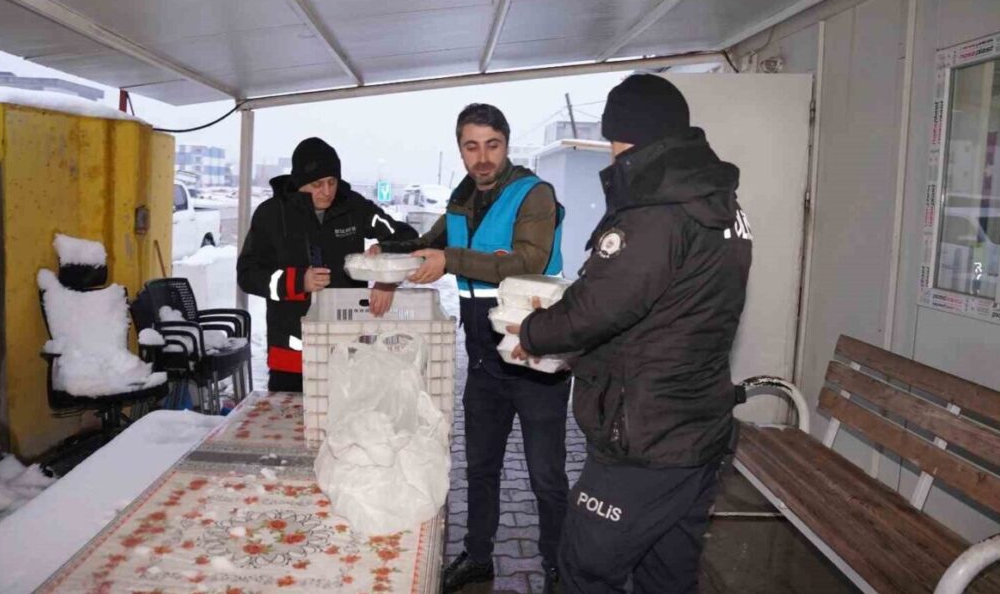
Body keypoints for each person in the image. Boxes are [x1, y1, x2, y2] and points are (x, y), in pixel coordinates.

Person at [511, 74, 753, 593]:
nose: (611, 151)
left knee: (583, 570)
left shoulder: (657, 212)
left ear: (631, 136)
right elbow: (671, 309)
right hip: (696, 430)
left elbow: (598, 306)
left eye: (614, 138)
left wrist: (531, 329)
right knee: (666, 576)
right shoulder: (721, 204)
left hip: (646, 439)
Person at [376, 103, 569, 594]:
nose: (482, 157)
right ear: (460, 149)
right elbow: (428, 246)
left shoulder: (534, 195)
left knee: (546, 476)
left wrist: (450, 259)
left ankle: (558, 564)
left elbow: (531, 259)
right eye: (471, 146)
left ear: (506, 144)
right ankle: (479, 556)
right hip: (484, 362)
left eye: (492, 145)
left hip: (535, 360)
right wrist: (389, 259)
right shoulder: (461, 201)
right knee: (480, 467)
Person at [237, 137, 417, 393]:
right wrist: (298, 281)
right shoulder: (270, 214)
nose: (327, 191)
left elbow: (406, 237)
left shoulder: (354, 206)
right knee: (291, 428)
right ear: (299, 183)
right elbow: (247, 274)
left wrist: (386, 273)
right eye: (317, 184)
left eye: (332, 182)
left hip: (349, 349)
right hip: (291, 355)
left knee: (351, 423)